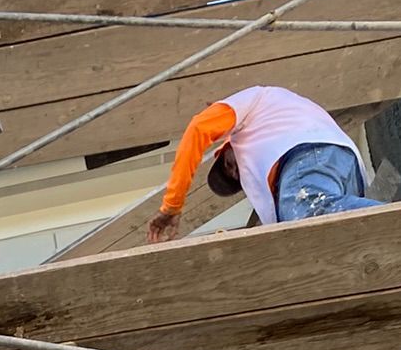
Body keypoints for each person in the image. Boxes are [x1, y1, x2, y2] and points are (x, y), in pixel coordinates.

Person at [147, 86, 380, 244]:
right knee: (324, 240)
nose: (234, 171)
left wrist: (172, 205)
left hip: (305, 155)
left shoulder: (247, 106)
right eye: (235, 178)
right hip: (342, 164)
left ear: (227, 147)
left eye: (228, 164)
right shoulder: (270, 127)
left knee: (308, 215)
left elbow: (198, 128)